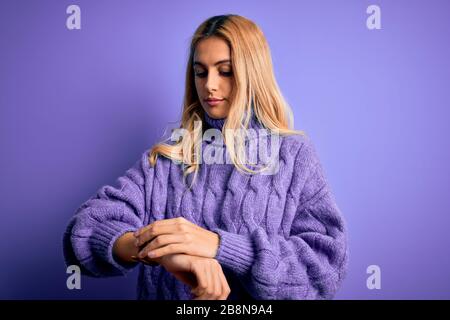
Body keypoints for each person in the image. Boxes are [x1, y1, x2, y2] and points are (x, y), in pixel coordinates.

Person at [63, 14, 348, 300]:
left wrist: (218, 246)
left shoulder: (293, 155)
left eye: (225, 71)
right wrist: (163, 251)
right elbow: (84, 229)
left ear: (252, 73)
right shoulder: (171, 155)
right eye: (201, 72)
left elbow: (324, 267)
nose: (210, 85)